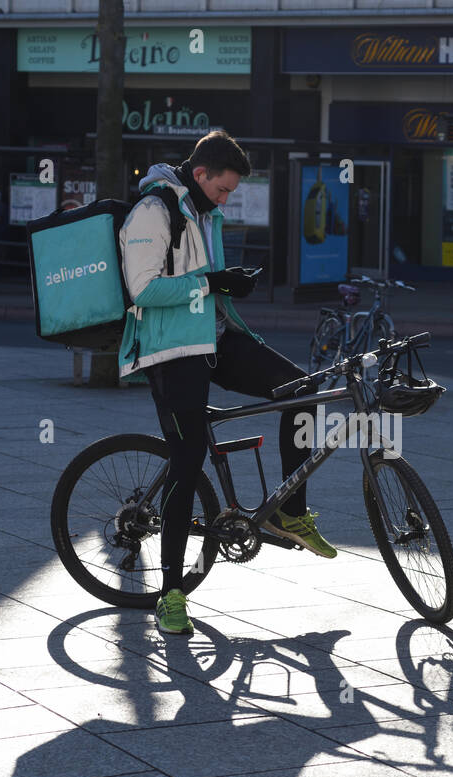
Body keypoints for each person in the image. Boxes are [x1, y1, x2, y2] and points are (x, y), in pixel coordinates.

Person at [118, 130, 337, 636]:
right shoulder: (154, 211)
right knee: (187, 461)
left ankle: (288, 512)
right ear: (200, 175)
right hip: (172, 351)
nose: (227, 199)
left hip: (214, 339)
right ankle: (171, 593)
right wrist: (213, 281)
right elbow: (143, 289)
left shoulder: (205, 213)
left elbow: (205, 284)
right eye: (223, 190)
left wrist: (228, 282)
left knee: (303, 390)